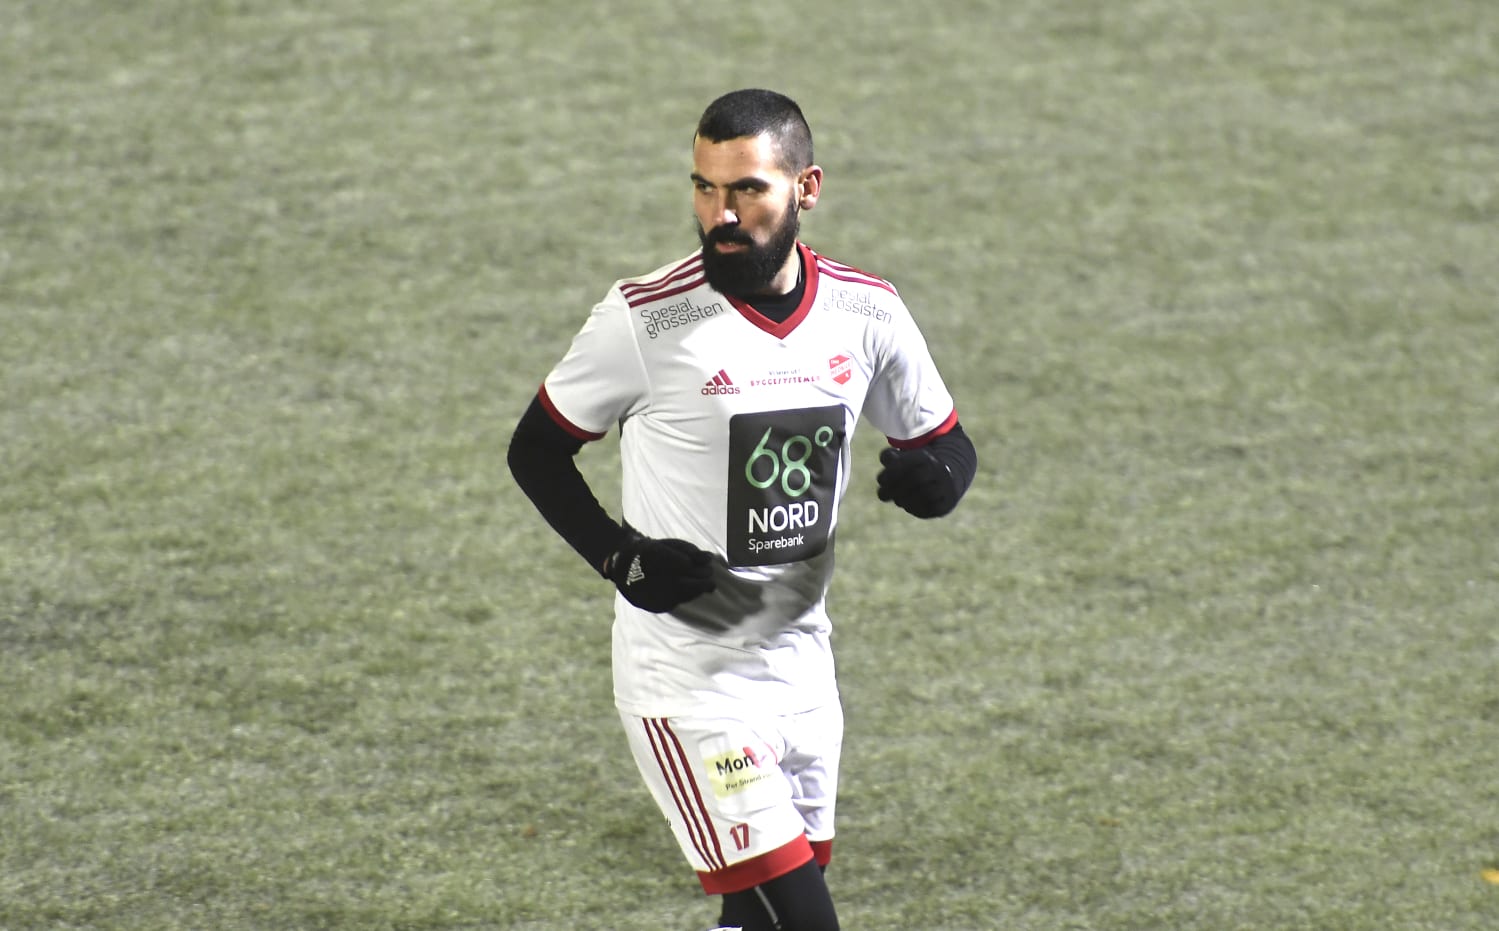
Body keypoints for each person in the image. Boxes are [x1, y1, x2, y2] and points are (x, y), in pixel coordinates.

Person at [507, 88, 977, 931]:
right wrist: (620, 558)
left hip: (802, 667)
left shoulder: (866, 310)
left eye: (747, 190)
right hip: (689, 683)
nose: (720, 215)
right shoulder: (646, 319)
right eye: (705, 188)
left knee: (755, 920)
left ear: (806, 188)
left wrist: (938, 478)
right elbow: (535, 449)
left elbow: (944, 440)